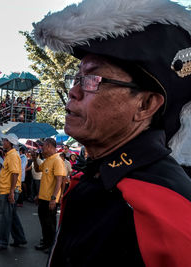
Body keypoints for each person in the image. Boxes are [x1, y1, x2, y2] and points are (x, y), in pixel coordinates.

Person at [33, 0, 191, 265]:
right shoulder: (95, 177)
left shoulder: (168, 213)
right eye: (76, 78)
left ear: (146, 105)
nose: (74, 91)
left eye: (93, 79)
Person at [0, 133, 27, 251]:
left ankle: (2, 243)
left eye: (5, 140)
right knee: (12, 215)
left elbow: (15, 173)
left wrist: (11, 192)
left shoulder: (12, 155)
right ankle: (20, 239)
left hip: (8, 190)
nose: (3, 142)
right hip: (8, 190)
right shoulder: (11, 154)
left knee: (5, 217)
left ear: (10, 142)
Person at [32, 138, 66, 253]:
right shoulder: (47, 160)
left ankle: (51, 246)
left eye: (44, 146)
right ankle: (46, 243)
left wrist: (54, 198)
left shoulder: (57, 160)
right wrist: (34, 158)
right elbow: (37, 169)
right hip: (43, 198)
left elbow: (60, 180)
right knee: (44, 222)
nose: (42, 148)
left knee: (50, 224)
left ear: (50, 146)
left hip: (50, 199)